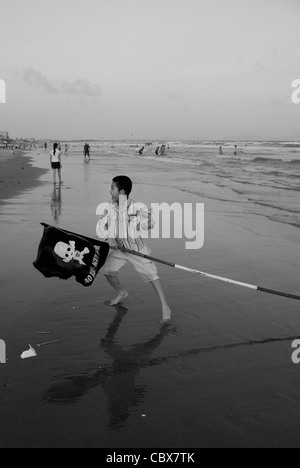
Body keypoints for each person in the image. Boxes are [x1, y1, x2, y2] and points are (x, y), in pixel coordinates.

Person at [96, 175, 172, 324]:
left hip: (136, 249)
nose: (109, 191)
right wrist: (110, 238)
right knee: (108, 272)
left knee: (152, 277)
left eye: (112, 188)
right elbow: (103, 226)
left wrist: (148, 221)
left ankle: (165, 307)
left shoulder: (135, 208)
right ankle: (121, 292)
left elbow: (149, 223)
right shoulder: (109, 207)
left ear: (122, 192)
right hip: (119, 249)